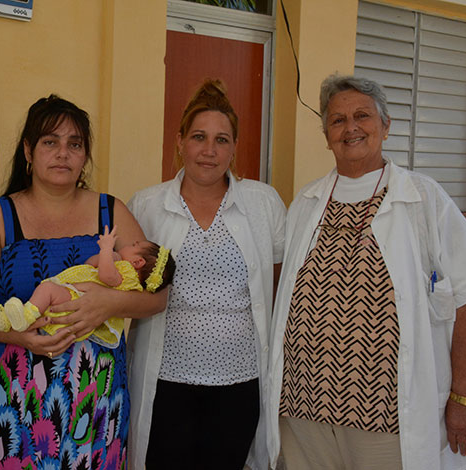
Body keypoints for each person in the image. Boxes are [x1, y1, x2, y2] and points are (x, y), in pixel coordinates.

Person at [266, 74, 466, 470]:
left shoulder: (423, 198)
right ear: (327, 135)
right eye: (337, 120)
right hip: (303, 408)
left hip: (386, 417)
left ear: (385, 125)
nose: (351, 128)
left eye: (362, 115)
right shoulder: (306, 203)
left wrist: (464, 396)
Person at [0, 94, 167, 469]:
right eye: (50, 142)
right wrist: (18, 336)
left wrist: (108, 304)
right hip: (13, 400)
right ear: (28, 151)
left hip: (98, 400)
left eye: (74, 144)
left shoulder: (111, 212)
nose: (63, 153)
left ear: (85, 156)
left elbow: (156, 297)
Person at [127, 79, 287, 470]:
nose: (209, 151)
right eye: (199, 137)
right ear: (180, 140)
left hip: (239, 383)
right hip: (166, 381)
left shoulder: (263, 204)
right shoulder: (147, 206)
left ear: (234, 147)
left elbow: (281, 289)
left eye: (222, 140)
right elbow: (127, 284)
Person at [0, 224, 175, 348]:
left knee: (46, 291)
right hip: (74, 296)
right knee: (41, 307)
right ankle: (4, 319)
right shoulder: (120, 265)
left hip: (76, 298)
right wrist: (106, 256)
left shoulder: (128, 276)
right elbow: (89, 265)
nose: (127, 246)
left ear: (138, 263)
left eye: (134, 246)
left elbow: (106, 277)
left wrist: (106, 249)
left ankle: (19, 318)